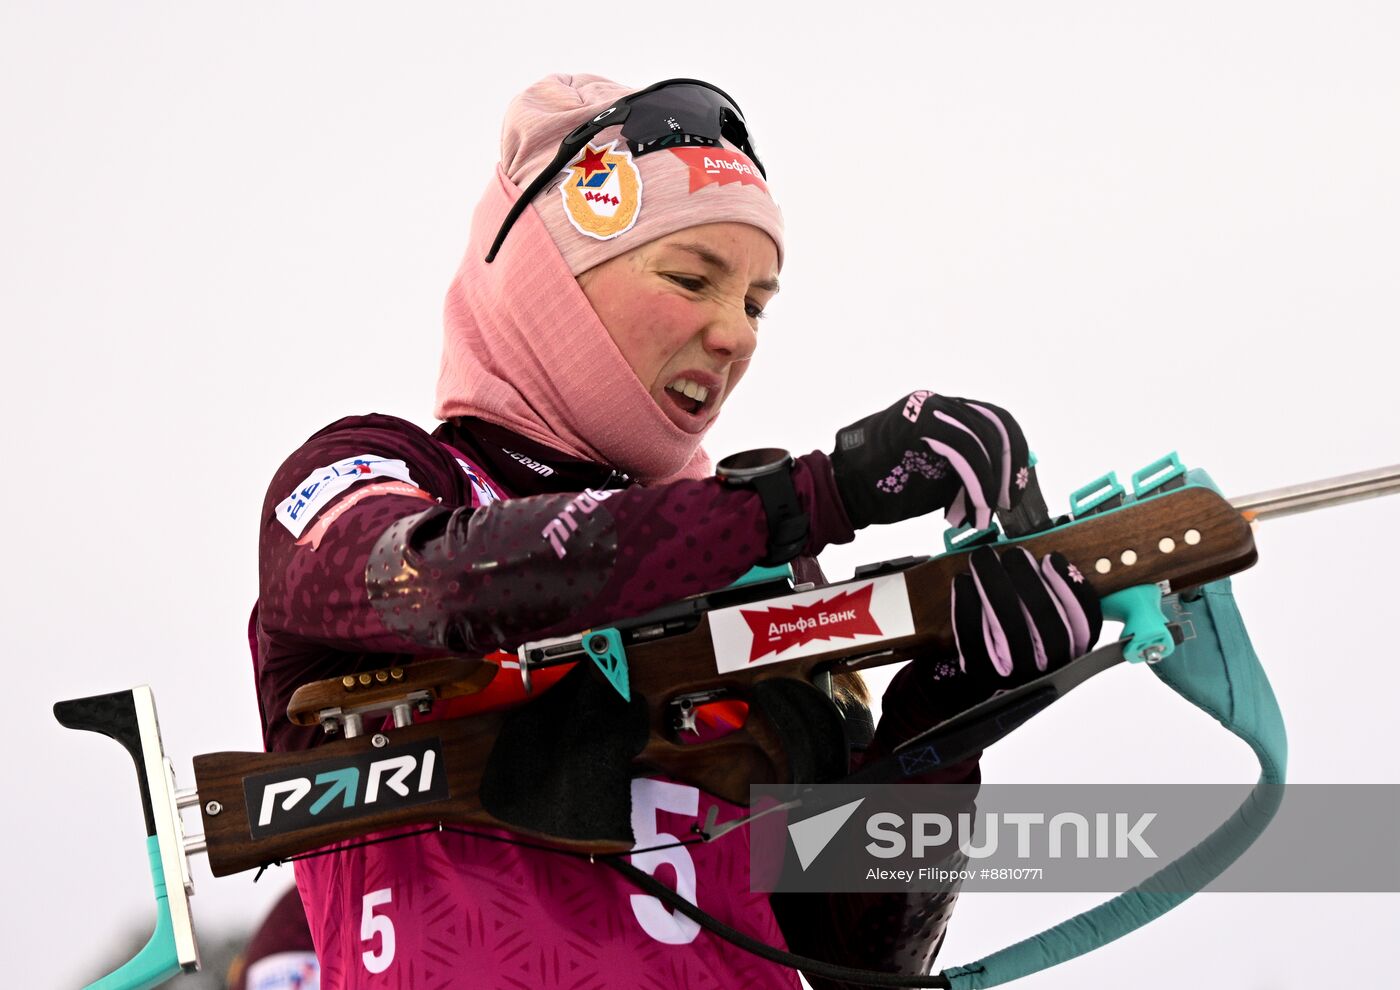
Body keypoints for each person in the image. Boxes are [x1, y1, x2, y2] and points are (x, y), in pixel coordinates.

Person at [252, 74, 1102, 989]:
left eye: (756, 304)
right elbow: (441, 586)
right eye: (692, 279)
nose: (736, 334)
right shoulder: (372, 472)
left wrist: (944, 722)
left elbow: (854, 959)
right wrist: (811, 497)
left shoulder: (757, 570)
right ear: (548, 284)